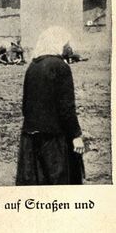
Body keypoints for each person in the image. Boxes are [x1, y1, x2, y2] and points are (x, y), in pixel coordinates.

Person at [16, 26, 85, 185]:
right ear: (57, 43)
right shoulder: (61, 67)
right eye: (66, 43)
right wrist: (76, 135)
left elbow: (25, 106)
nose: (68, 47)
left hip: (31, 138)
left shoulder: (32, 67)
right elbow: (66, 107)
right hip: (54, 140)